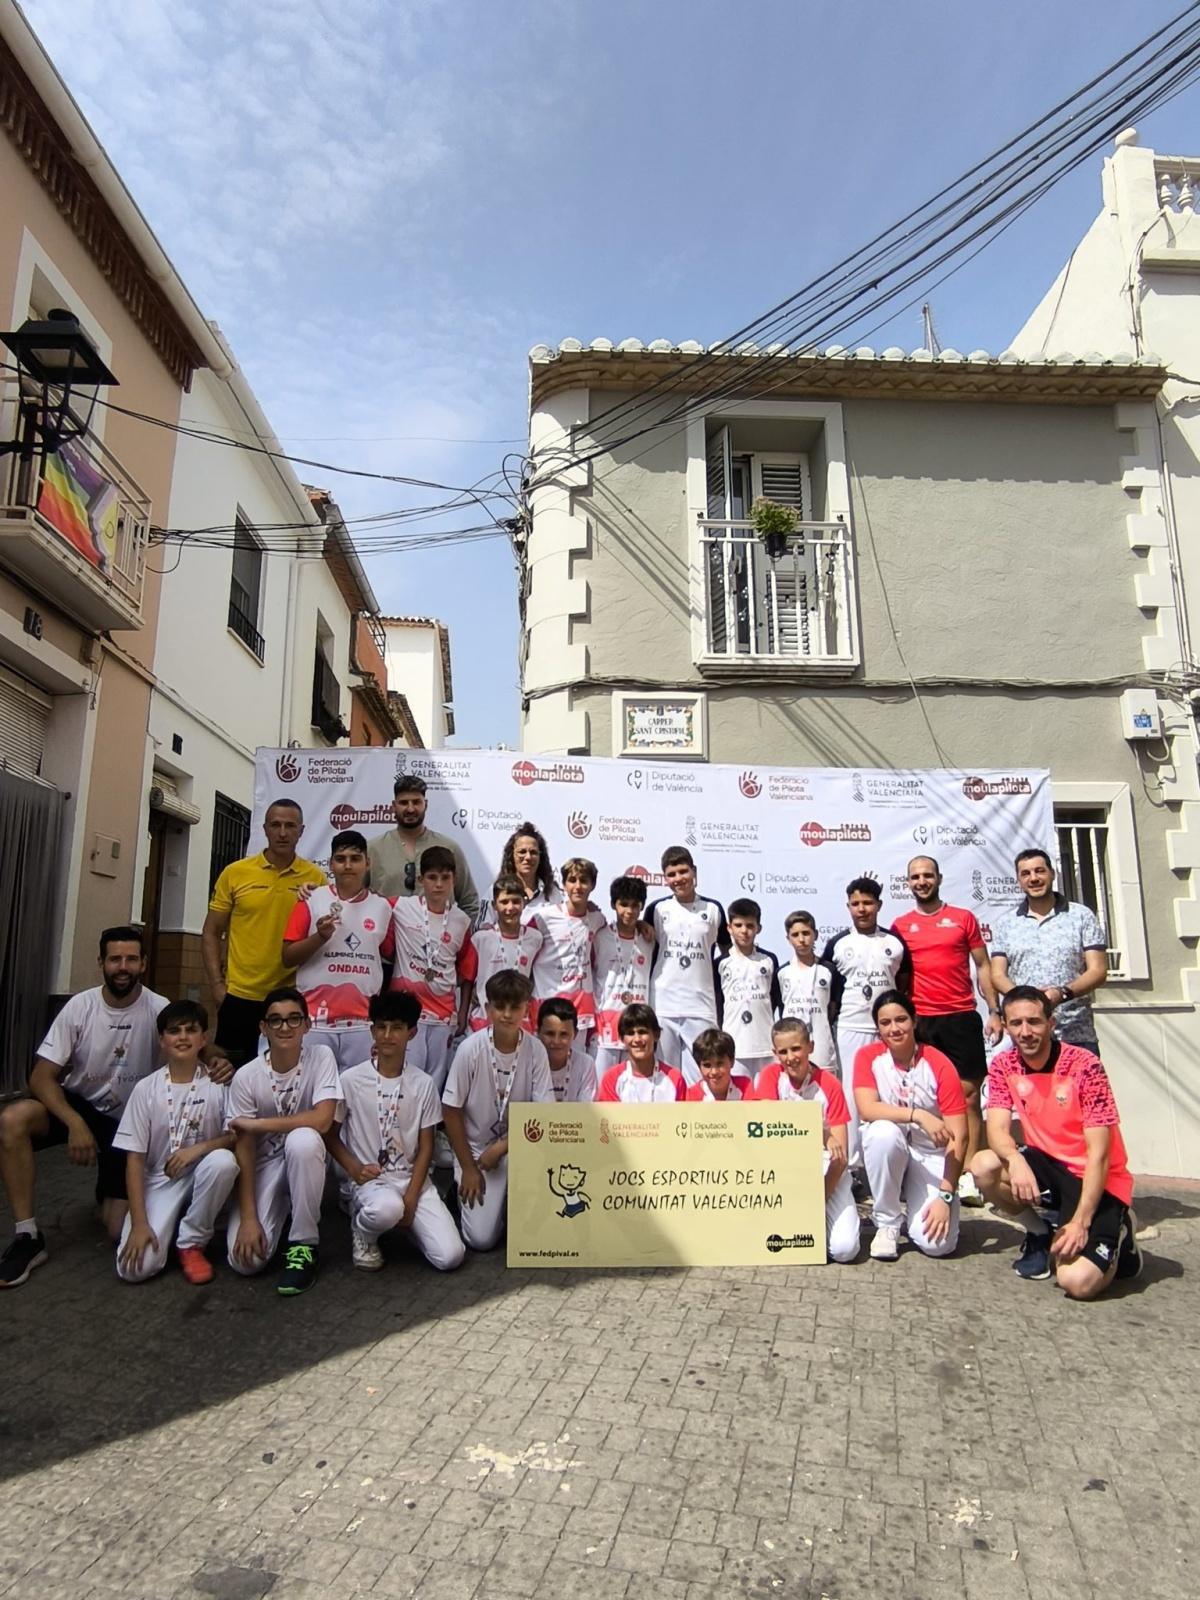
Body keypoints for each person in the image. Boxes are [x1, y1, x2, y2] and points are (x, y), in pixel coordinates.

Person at [0, 927, 176, 1288]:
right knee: (13, 1118)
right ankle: (27, 1237)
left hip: (128, 1127)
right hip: (79, 1108)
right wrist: (74, 1123)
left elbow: (196, 1051)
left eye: (130, 959)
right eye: (115, 959)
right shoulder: (80, 1007)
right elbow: (41, 1077)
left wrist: (218, 1062)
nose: (122, 967)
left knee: (115, 1229)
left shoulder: (160, 1010)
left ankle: (107, 1194)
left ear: (143, 963)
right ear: (101, 963)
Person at [970, 987, 1140, 1297]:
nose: (1025, 1032)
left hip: (1097, 1178)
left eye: (1034, 1022)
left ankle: (1121, 1232)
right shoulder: (1003, 1065)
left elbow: (1100, 1155)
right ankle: (1038, 1231)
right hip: (1049, 1166)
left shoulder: (1085, 1066)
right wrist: (1016, 1159)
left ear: (1052, 1023)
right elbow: (996, 1129)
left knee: (1076, 1283)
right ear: (1006, 1026)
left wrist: (1081, 1222)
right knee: (983, 1166)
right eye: (1016, 1023)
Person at [325, 990, 464, 1274]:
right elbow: (330, 1134)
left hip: (412, 1180)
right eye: (381, 1027)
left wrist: (412, 1198)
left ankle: (409, 1223)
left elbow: (426, 1147)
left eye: (397, 1028)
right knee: (387, 1209)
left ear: (411, 1032)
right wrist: (354, 1168)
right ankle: (363, 1231)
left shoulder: (423, 1083)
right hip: (373, 1180)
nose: (388, 1035)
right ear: (372, 1029)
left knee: (450, 1257)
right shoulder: (351, 1080)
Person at [225, 988, 342, 1295]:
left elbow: (323, 1120)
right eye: (275, 1021)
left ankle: (304, 1243)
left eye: (293, 1019)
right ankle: (282, 1208)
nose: (285, 1027)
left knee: (303, 1140)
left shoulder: (321, 1057)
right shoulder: (247, 1076)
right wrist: (249, 1218)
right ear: (263, 1027)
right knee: (247, 1262)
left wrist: (259, 1124)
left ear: (307, 1024)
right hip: (263, 1165)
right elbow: (245, 1149)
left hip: (305, 1156)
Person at [900, 856, 1002, 1206]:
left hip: (960, 1017)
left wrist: (994, 1010)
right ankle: (925, 1173)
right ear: (908, 883)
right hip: (922, 1022)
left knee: (969, 1097)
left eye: (928, 875)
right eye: (916, 877)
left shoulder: (963, 918)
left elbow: (983, 965)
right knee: (923, 1100)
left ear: (939, 878)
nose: (922, 881)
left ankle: (971, 1175)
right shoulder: (901, 925)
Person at [113, 1000, 238, 1285]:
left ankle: (191, 1243)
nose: (182, 1037)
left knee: (223, 1162)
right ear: (162, 1040)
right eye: (174, 1031)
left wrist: (198, 1149)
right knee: (134, 1270)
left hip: (200, 1173)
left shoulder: (219, 1083)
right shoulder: (146, 1089)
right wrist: (140, 1224)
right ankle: (167, 1227)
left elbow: (235, 1136)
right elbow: (134, 1159)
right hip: (159, 1180)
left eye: (191, 1030)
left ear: (203, 1038)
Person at [203, 798, 327, 1066]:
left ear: (301, 830)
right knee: (229, 1076)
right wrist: (216, 986)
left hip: (291, 999)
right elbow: (212, 931)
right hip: (239, 997)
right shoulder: (235, 873)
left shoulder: (316, 879)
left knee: (288, 1078)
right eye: (276, 825)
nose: (282, 832)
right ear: (265, 829)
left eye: (290, 826)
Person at [441, 970, 554, 1251]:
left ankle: (510, 1207)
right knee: (481, 1241)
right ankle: (459, 1192)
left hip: (516, 1147)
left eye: (515, 1007)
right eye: (499, 1006)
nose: (506, 1014)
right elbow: (451, 1110)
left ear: (527, 1008)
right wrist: (468, 1167)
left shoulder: (536, 1050)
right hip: (476, 1154)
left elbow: (543, 1114)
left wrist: (503, 1146)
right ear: (488, 1007)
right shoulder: (470, 1049)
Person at [854, 990, 967, 1262]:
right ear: (878, 1028)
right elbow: (867, 1109)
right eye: (885, 1023)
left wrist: (946, 1196)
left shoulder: (939, 1063)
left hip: (931, 1154)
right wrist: (918, 1115)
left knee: (937, 1245)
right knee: (881, 1132)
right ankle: (888, 1223)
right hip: (893, 1145)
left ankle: (921, 1210)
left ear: (914, 1021)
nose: (894, 1028)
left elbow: (960, 1137)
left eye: (901, 1019)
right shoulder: (868, 1056)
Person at [281, 829, 395, 1071]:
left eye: (355, 859)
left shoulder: (382, 907)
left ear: (367, 863)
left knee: (358, 1098)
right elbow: (288, 957)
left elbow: (388, 954)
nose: (348, 866)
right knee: (312, 1095)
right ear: (331, 864)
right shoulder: (312, 899)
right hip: (315, 1022)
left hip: (362, 1024)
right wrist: (319, 937)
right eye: (341, 859)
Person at [751, 1018, 860, 1264]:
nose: (790, 1057)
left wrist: (818, 1198)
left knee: (845, 1250)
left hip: (827, 1171)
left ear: (810, 1047)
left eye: (796, 1048)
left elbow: (840, 1157)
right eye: (783, 1051)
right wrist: (820, 1132)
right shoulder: (769, 1077)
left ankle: (820, 1219)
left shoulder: (830, 1084)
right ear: (774, 1053)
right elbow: (767, 1120)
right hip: (788, 1169)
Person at [823, 877, 911, 1162]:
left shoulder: (894, 943)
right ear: (848, 906)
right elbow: (829, 990)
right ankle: (850, 1165)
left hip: (889, 1030)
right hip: (851, 1027)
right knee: (851, 1094)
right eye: (856, 904)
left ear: (879, 905)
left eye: (868, 903)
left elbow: (904, 983)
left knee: (890, 1093)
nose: (862, 909)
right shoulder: (837, 943)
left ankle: (892, 1160)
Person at [991, 849, 1108, 1053]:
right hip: (1026, 1038)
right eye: (1026, 873)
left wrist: (1061, 994)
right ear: (1019, 880)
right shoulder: (1006, 924)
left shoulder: (1081, 916)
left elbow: (1097, 970)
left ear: (1052, 874)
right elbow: (997, 974)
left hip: (1075, 1034)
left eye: (1039, 871)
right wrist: (1028, 1001)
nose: (1034, 878)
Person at [388, 846, 477, 1091]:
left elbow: (467, 971)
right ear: (420, 879)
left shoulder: (461, 920)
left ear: (454, 880)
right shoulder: (400, 907)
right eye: (432, 877)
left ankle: (431, 1129)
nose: (438, 884)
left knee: (436, 1079)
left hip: (443, 1014)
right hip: (408, 1012)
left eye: (445, 878)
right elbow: (363, 904)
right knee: (407, 1075)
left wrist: (463, 1012)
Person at [647, 846, 730, 1084]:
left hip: (701, 1005)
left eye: (683, 871)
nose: (678, 879)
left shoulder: (713, 909)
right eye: (671, 875)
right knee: (666, 1078)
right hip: (664, 1004)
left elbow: (727, 954)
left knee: (703, 1079)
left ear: (694, 872)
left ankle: (703, 1123)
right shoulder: (657, 909)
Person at [367, 774, 479, 922]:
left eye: (416, 802)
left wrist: (456, 936)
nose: (410, 809)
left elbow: (469, 901)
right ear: (393, 806)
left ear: (425, 804)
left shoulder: (448, 848)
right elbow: (358, 898)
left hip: (439, 941)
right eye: (404, 803)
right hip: (387, 940)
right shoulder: (373, 849)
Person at [529, 857, 606, 1042]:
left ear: (593, 885)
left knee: (574, 1066)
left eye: (584, 881)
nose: (578, 886)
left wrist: (643, 926)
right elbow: (522, 954)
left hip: (580, 1010)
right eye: (572, 880)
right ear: (563, 885)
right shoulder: (543, 917)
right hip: (545, 1005)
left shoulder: (598, 919)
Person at [592, 875, 655, 1075]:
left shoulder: (649, 939)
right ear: (613, 904)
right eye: (623, 905)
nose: (629, 911)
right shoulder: (600, 936)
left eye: (635, 905)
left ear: (642, 906)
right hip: (606, 1025)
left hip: (638, 1026)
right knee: (603, 1089)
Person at [715, 897, 781, 1079]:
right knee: (738, 1103)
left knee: (766, 1101)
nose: (744, 931)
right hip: (734, 1045)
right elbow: (718, 1002)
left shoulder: (769, 960)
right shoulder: (721, 963)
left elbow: (775, 998)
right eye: (739, 925)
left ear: (758, 928)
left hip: (765, 1046)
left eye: (750, 926)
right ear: (729, 928)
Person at [468, 874, 543, 1030]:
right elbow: (468, 980)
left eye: (516, 901)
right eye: (504, 902)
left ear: (524, 903)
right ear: (494, 905)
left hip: (518, 1019)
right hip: (485, 1018)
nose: (510, 908)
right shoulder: (481, 938)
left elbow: (538, 976)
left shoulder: (535, 938)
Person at [778, 910, 836, 1072]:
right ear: (788, 938)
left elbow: (833, 1007)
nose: (801, 940)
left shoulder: (829, 969)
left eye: (806, 933)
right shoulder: (782, 972)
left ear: (816, 935)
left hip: (821, 1047)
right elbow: (780, 1007)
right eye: (795, 935)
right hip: (792, 1047)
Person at [597, 1004, 685, 1103]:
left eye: (642, 1032)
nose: (637, 1039)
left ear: (656, 1035)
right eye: (630, 1033)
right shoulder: (611, 1079)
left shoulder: (675, 1078)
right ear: (622, 1039)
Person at [477, 822, 559, 926]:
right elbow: (479, 931)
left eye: (533, 852)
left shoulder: (553, 894)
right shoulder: (494, 892)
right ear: (512, 855)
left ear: (540, 857)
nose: (528, 857)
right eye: (522, 852)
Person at [536, 998, 597, 1102]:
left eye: (563, 1034)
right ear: (538, 1032)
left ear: (575, 1034)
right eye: (550, 1034)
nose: (556, 1041)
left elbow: (587, 1111)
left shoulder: (585, 1064)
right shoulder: (528, 1062)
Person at [685, 1029, 752, 1101]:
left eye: (719, 1063)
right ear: (699, 1066)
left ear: (732, 1061)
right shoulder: (692, 1096)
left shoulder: (745, 1086)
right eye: (707, 1065)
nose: (714, 1072)